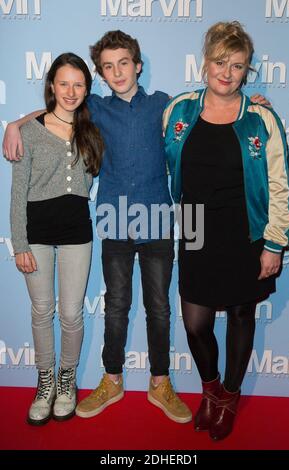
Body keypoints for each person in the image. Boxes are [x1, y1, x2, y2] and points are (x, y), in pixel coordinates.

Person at [3, 30, 270, 426]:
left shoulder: (165, 105)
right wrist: (14, 124)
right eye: (108, 67)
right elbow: (54, 111)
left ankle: (160, 382)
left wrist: (254, 106)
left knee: (159, 308)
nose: (117, 71)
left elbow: (216, 104)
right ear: (101, 75)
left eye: (123, 63)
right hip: (114, 218)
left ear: (138, 66)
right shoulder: (92, 106)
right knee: (116, 306)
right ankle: (112, 380)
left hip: (159, 220)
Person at [163, 21, 289, 440]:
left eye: (237, 66)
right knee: (196, 323)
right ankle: (211, 390)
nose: (227, 72)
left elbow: (278, 183)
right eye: (220, 62)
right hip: (197, 226)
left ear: (246, 71)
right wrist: (23, 122)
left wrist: (274, 243)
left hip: (246, 231)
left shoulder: (261, 119)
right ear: (205, 63)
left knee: (241, 315)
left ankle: (229, 399)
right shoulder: (177, 111)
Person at [10, 52, 103, 425]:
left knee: (70, 313)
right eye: (63, 83)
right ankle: (44, 381)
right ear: (51, 86)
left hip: (77, 232)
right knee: (41, 310)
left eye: (78, 84)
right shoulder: (29, 131)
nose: (70, 90)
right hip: (36, 233)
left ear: (86, 89)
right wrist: (20, 244)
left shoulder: (92, 131)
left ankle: (67, 381)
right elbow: (18, 193)